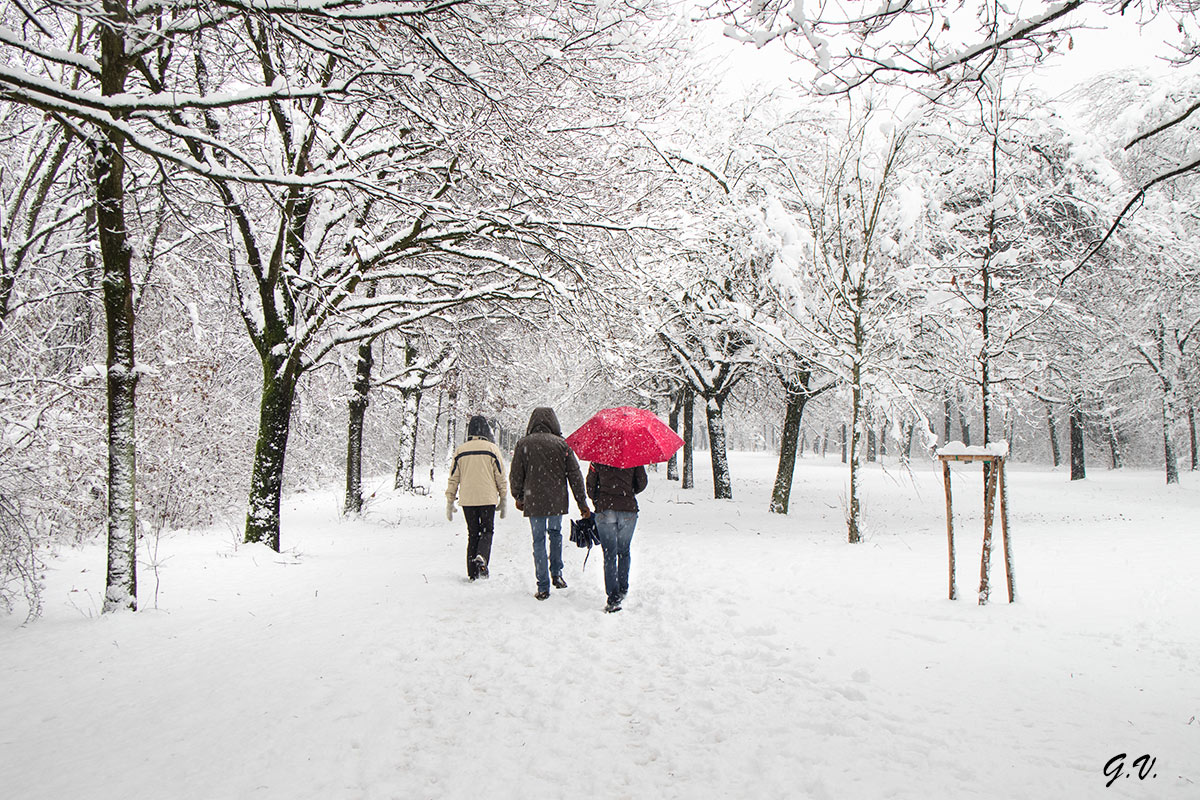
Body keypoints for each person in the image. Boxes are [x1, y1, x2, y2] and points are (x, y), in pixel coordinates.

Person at [509, 407, 591, 600]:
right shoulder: (562, 445)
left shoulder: (524, 444)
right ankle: (557, 574)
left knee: (538, 540)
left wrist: (518, 496)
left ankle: (543, 585)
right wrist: (582, 502)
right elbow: (575, 475)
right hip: (556, 500)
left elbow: (516, 474)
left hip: (534, 500)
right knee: (555, 535)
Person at [445, 415, 507, 581]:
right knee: (487, 530)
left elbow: (453, 477)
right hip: (487, 498)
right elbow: (500, 475)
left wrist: (450, 499)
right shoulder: (492, 449)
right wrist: (503, 496)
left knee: (473, 533)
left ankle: (472, 573)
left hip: (468, 499)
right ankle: (482, 558)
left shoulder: (461, 450)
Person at [586, 461, 648, 613]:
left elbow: (590, 487)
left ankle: (612, 596)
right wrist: (628, 491)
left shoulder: (599, 457)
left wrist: (599, 499)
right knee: (624, 550)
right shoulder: (633, 457)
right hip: (627, 509)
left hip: (605, 508)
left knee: (609, 553)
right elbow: (642, 483)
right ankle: (623, 586)